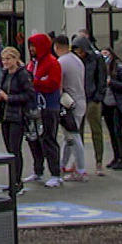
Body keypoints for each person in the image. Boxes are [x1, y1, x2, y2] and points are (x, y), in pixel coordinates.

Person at [0, 46, 34, 195]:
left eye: (8, 59)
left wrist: (9, 98)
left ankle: (17, 181)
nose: (5, 62)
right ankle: (12, 180)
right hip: (5, 115)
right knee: (9, 151)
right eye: (3, 59)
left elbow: (29, 95)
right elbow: (1, 94)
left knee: (15, 150)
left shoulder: (23, 75)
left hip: (17, 115)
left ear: (16, 59)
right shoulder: (4, 74)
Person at [24, 33, 62, 188]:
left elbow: (52, 83)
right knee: (33, 140)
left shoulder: (52, 63)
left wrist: (34, 83)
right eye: (30, 46)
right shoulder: (32, 64)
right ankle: (38, 170)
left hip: (49, 106)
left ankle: (55, 174)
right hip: (33, 106)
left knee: (48, 139)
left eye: (34, 46)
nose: (32, 49)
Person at [72, 35, 107, 175]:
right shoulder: (75, 60)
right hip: (78, 98)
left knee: (96, 131)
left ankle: (99, 162)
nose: (79, 54)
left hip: (93, 98)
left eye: (81, 50)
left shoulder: (96, 58)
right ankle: (78, 163)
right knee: (77, 132)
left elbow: (102, 78)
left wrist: (99, 96)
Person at [54, 35, 88, 182]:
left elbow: (59, 85)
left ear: (56, 46)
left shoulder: (61, 62)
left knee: (73, 136)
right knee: (69, 136)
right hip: (80, 100)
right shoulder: (76, 59)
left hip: (69, 103)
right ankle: (63, 164)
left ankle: (81, 169)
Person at [101, 48, 122, 170]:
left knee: (119, 132)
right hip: (108, 104)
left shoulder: (120, 67)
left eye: (106, 53)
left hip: (119, 104)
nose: (104, 56)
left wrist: (112, 83)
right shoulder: (104, 68)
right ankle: (116, 157)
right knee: (112, 133)